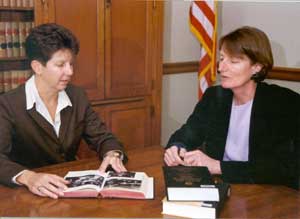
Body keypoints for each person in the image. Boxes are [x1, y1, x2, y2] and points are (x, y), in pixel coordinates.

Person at [0, 23, 127, 198]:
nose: (70, 71)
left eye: (71, 64)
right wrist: (28, 177)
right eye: (60, 65)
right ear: (37, 67)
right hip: (26, 196)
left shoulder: (77, 96)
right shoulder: (8, 104)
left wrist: (112, 154)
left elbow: (103, 137)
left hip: (69, 191)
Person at [164, 26, 300, 189]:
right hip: (223, 187)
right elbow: (188, 133)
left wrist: (217, 166)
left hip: (269, 194)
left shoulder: (282, 103)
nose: (221, 68)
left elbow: (282, 167)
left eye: (234, 61)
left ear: (257, 67)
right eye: (221, 58)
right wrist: (177, 148)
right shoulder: (214, 97)